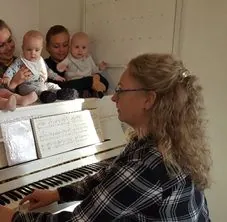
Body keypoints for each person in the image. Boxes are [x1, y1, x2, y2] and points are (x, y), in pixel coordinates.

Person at [0, 53, 211, 221]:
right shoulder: (155, 140)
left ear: (148, 99)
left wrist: (11, 217)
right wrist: (58, 193)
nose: (114, 97)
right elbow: (109, 177)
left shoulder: (150, 165)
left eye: (121, 90)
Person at [3, 30, 77, 103]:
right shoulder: (21, 61)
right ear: (23, 48)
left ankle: (60, 93)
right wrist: (7, 77)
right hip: (27, 85)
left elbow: (47, 70)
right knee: (35, 90)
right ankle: (44, 96)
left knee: (52, 85)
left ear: (41, 49)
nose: (33, 53)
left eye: (37, 50)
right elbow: (11, 69)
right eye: (29, 50)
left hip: (41, 83)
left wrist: (56, 77)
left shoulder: (40, 60)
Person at [45, 26, 109, 98]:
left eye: (65, 45)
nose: (61, 50)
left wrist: (96, 76)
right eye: (56, 46)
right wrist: (92, 80)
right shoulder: (45, 65)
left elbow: (105, 83)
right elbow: (58, 87)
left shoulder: (81, 59)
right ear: (47, 47)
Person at [0, 19, 37, 110]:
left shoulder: (21, 62)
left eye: (9, 40)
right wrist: (15, 82)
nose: (9, 47)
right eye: (1, 45)